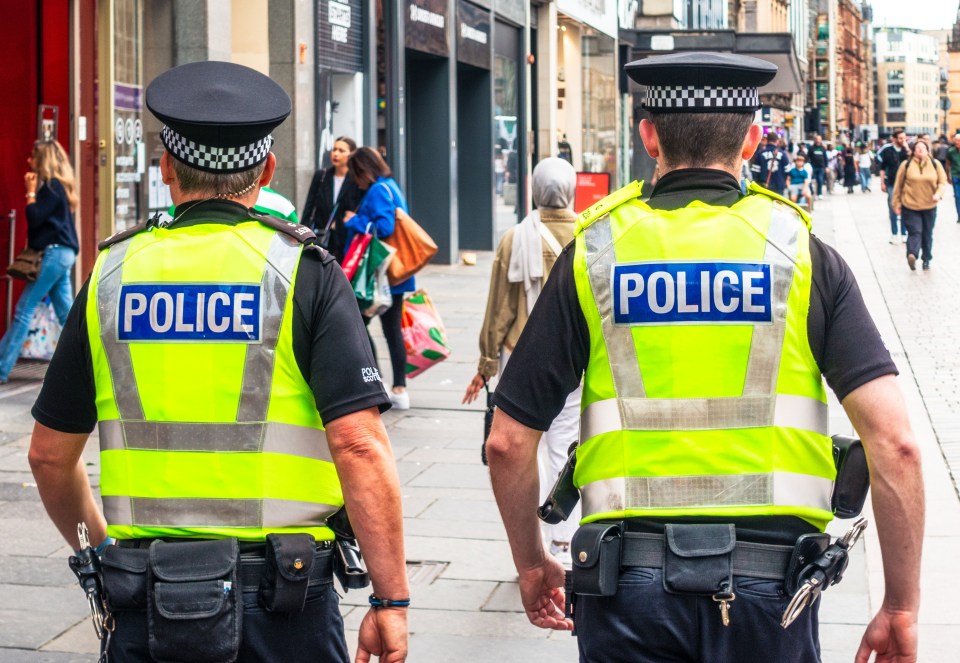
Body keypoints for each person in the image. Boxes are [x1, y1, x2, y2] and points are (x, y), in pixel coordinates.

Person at [485, 51, 924, 663]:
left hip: (625, 588)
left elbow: (507, 442)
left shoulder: (594, 254)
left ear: (648, 136)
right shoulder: (802, 254)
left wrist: (533, 564)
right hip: (772, 592)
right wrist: (900, 607)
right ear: (751, 142)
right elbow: (896, 444)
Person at [27, 61, 409, 662]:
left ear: (167, 170)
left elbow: (50, 457)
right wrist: (390, 602)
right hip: (284, 599)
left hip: (148, 594)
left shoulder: (111, 274)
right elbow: (360, 446)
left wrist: (102, 555)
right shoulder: (302, 274)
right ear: (267, 170)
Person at [462, 157, 582, 565]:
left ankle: (540, 537)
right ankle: (563, 537)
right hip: (575, 364)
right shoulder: (590, 233)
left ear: (533, 190)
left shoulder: (515, 238)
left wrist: (485, 365)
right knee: (565, 444)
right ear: (572, 189)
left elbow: (499, 310)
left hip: (521, 359)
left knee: (529, 446)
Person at [0, 139, 80, 384]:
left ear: (41, 160)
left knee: (24, 311)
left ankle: (2, 368)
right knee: (67, 316)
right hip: (64, 254)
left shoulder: (51, 188)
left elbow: (34, 219)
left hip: (54, 254)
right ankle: (84, 367)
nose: (29, 161)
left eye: (33, 157)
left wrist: (30, 192)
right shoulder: (61, 187)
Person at [345, 147, 415, 410]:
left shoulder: (377, 191)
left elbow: (384, 227)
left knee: (360, 326)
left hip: (380, 276)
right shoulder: (391, 186)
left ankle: (384, 384)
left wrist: (355, 221)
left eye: (356, 175)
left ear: (364, 170)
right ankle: (397, 388)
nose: (356, 182)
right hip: (392, 275)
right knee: (390, 329)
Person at [301, 136, 362, 262]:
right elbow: (309, 207)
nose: (336, 154)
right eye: (334, 150)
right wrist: (303, 235)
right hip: (321, 239)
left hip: (346, 240)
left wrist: (339, 222)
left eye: (341, 150)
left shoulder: (357, 180)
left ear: (352, 154)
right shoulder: (322, 176)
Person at [892, 139, 948, 271]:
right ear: (913, 151)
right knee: (915, 231)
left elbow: (942, 181)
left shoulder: (935, 164)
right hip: (910, 205)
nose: (921, 149)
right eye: (918, 148)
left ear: (928, 150)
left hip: (929, 205)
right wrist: (896, 204)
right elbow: (898, 186)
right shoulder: (906, 165)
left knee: (927, 233)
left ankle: (926, 259)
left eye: (923, 147)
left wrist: (938, 194)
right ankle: (912, 254)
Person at [878, 131, 910, 243]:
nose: (903, 140)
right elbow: (882, 168)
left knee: (905, 208)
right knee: (893, 207)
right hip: (891, 183)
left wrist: (906, 148)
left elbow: (912, 161)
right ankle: (894, 233)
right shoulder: (887, 150)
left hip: (906, 184)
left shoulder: (907, 150)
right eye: (901, 138)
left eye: (904, 138)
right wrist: (882, 183)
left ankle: (904, 233)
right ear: (895, 139)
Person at [750, 131, 790, 196]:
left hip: (764, 187)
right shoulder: (783, 154)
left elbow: (755, 172)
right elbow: (787, 171)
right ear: (777, 141)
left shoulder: (760, 153)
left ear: (766, 140)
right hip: (779, 186)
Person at [807, 135, 827, 199]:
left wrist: (826, 167)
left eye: (819, 139)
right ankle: (813, 193)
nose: (818, 140)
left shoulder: (823, 148)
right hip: (813, 167)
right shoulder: (811, 148)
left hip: (821, 167)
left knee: (820, 180)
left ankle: (819, 193)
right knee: (812, 181)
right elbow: (808, 157)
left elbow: (825, 158)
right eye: (817, 139)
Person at [947, 133, 960, 223]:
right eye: (956, 140)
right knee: (958, 196)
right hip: (955, 175)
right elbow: (948, 164)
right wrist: (948, 175)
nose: (957, 142)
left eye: (959, 140)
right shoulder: (951, 151)